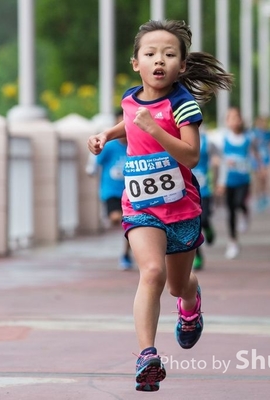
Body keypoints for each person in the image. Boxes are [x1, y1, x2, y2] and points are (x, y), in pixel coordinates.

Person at [87, 20, 233, 392]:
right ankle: (147, 355)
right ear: (136, 62)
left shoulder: (183, 105)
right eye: (150, 53)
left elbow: (192, 155)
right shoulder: (131, 98)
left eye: (169, 54)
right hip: (140, 204)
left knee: (176, 285)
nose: (159, 60)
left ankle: (190, 301)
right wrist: (107, 133)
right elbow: (131, 122)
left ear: (181, 66)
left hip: (181, 208)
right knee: (152, 272)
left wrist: (155, 130)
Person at [87, 111, 133, 270]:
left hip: (132, 192)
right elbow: (94, 161)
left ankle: (126, 254)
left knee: (130, 224)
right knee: (116, 218)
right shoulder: (110, 146)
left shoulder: (136, 144)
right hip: (111, 191)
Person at [216, 107, 260, 259]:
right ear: (227, 121)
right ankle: (233, 242)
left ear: (241, 120)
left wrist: (260, 169)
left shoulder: (249, 138)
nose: (234, 121)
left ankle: (245, 213)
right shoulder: (223, 139)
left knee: (239, 202)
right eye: (230, 118)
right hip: (229, 181)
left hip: (243, 180)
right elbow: (221, 162)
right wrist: (220, 183)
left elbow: (255, 154)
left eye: (236, 117)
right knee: (231, 211)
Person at [191, 126, 219, 270]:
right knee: (193, 226)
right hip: (188, 190)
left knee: (204, 218)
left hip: (205, 189)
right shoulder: (178, 136)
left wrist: (217, 180)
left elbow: (216, 159)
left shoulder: (207, 141)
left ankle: (208, 228)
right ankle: (198, 256)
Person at [251, 115, 270, 212]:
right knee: (258, 179)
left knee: (265, 178)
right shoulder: (254, 133)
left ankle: (265, 196)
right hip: (257, 160)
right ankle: (259, 198)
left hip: (266, 159)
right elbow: (253, 147)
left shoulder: (269, 133)